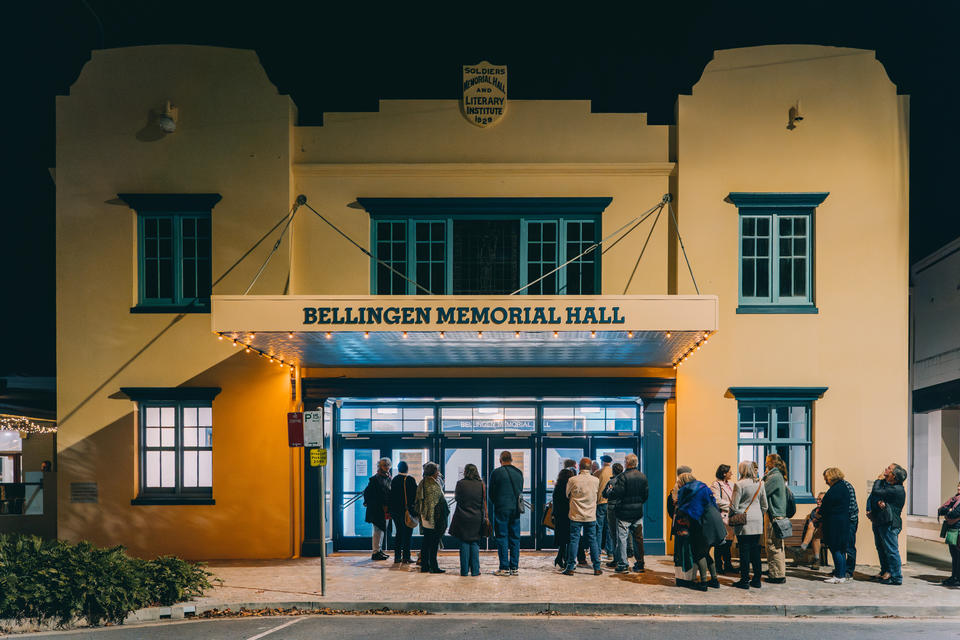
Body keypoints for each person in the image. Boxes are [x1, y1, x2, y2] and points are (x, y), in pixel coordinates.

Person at [676, 472, 725, 590]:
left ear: (682, 482)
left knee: (699, 553)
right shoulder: (703, 486)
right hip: (715, 518)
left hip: (704, 521)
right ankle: (714, 580)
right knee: (706, 552)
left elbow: (685, 508)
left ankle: (703, 583)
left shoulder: (685, 490)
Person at [606, 453, 648, 573]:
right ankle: (640, 564)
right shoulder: (643, 477)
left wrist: (610, 492)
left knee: (622, 539)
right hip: (637, 513)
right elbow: (645, 496)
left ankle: (623, 564)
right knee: (638, 538)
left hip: (624, 513)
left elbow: (616, 494)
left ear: (627, 463)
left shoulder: (622, 477)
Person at [729, 460, 768, 589]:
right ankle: (757, 579)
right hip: (757, 520)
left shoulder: (739, 485)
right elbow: (765, 506)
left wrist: (735, 515)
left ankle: (744, 580)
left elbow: (734, 506)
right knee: (756, 551)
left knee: (744, 551)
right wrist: (757, 514)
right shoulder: (760, 484)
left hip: (744, 520)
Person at [867, 462, 907, 585]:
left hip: (890, 523)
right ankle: (885, 571)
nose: (885, 469)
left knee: (891, 550)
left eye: (889, 469)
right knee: (881, 548)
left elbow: (876, 492)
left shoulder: (897, 489)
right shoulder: (888, 486)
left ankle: (896, 577)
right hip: (880, 521)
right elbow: (874, 496)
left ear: (894, 475)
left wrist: (878, 480)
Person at [562, 457, 602, 575]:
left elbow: (567, 494)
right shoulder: (596, 480)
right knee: (593, 540)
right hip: (590, 515)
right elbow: (597, 495)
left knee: (574, 540)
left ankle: (570, 567)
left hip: (576, 514)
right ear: (590, 468)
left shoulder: (573, 480)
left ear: (579, 466)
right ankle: (597, 567)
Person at [489, 450, 524, 576]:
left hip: (501, 509)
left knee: (502, 537)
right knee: (515, 538)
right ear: (511, 460)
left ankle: (504, 567)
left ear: (500, 460)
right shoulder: (519, 473)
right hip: (516, 509)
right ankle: (514, 567)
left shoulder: (496, 473)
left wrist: (497, 502)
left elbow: (491, 493)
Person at [449, 463, 485, 577]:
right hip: (477, 517)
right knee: (474, 542)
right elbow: (483, 501)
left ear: (465, 472)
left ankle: (464, 571)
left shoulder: (460, 484)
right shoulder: (481, 484)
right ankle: (475, 571)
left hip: (463, 517)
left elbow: (457, 498)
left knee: (464, 542)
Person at [820, 468, 853, 584]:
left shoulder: (835, 489)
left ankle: (839, 575)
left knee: (836, 549)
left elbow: (825, 506)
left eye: (826, 478)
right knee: (841, 549)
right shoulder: (844, 487)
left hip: (835, 523)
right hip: (843, 522)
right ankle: (842, 574)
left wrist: (819, 515)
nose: (825, 481)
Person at [414, 461, 446, 574]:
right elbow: (437, 502)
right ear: (433, 472)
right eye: (437, 470)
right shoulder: (432, 485)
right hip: (432, 517)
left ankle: (425, 566)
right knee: (433, 542)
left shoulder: (423, 482)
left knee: (426, 541)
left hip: (425, 516)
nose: (438, 473)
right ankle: (433, 566)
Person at [763, 453, 789, 583]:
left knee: (773, 545)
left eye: (767, 462)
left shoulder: (774, 477)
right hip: (778, 515)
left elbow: (763, 492)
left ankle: (777, 575)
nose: (765, 463)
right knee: (777, 545)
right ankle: (775, 570)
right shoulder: (778, 476)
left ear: (771, 463)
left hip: (774, 516)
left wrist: (763, 478)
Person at [667, 465, 694, 586]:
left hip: (679, 523)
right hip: (689, 523)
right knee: (688, 551)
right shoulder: (694, 488)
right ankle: (689, 576)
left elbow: (671, 507)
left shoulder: (676, 489)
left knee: (681, 551)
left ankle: (681, 577)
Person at [388, 460, 418, 564]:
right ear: (407, 469)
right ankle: (406, 556)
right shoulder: (410, 479)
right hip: (407, 511)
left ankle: (397, 557)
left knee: (399, 533)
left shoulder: (394, 479)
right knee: (408, 534)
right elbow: (415, 495)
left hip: (395, 511)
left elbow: (391, 495)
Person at [363, 457, 392, 561]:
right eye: (384, 465)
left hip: (386, 509)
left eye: (388, 465)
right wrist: (368, 502)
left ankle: (379, 550)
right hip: (378, 509)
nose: (387, 467)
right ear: (380, 466)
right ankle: (375, 552)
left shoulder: (388, 477)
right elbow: (368, 493)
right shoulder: (375, 479)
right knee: (377, 530)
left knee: (383, 529)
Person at [710, 464, 735, 574]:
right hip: (722, 517)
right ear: (724, 473)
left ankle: (728, 564)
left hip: (730, 517)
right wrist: (731, 506)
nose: (732, 473)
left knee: (728, 543)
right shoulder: (716, 485)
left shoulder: (731, 484)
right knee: (720, 542)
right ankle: (718, 566)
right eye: (730, 471)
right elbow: (717, 500)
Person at [937, 481, 960, 586]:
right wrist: (949, 511)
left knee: (957, 555)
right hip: (953, 529)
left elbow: (954, 514)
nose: (958, 488)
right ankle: (954, 577)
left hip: (957, 530)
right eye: (958, 486)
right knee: (954, 555)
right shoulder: (955, 499)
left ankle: (956, 578)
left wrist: (949, 512)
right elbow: (941, 510)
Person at [553, 467, 576, 568]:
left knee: (562, 539)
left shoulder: (557, 487)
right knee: (568, 539)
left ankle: (559, 558)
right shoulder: (569, 488)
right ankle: (565, 560)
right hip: (568, 515)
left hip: (559, 515)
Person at [797, 492, 826, 569]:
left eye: (821, 500)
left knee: (818, 528)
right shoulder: (814, 511)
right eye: (817, 499)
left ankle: (802, 548)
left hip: (827, 535)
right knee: (812, 526)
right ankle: (816, 559)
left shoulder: (829, 510)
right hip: (816, 535)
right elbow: (812, 522)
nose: (818, 501)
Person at [603, 463, 624, 568]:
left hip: (612, 508)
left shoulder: (612, 481)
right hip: (623, 508)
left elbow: (604, 494)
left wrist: (609, 490)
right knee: (622, 534)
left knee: (613, 534)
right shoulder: (625, 481)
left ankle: (616, 558)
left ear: (613, 471)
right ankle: (622, 558)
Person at [594, 455, 614, 557]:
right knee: (610, 528)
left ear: (602, 462)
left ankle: (597, 551)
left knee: (599, 528)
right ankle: (610, 551)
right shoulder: (614, 472)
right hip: (611, 503)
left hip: (600, 502)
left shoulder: (598, 472)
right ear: (610, 462)